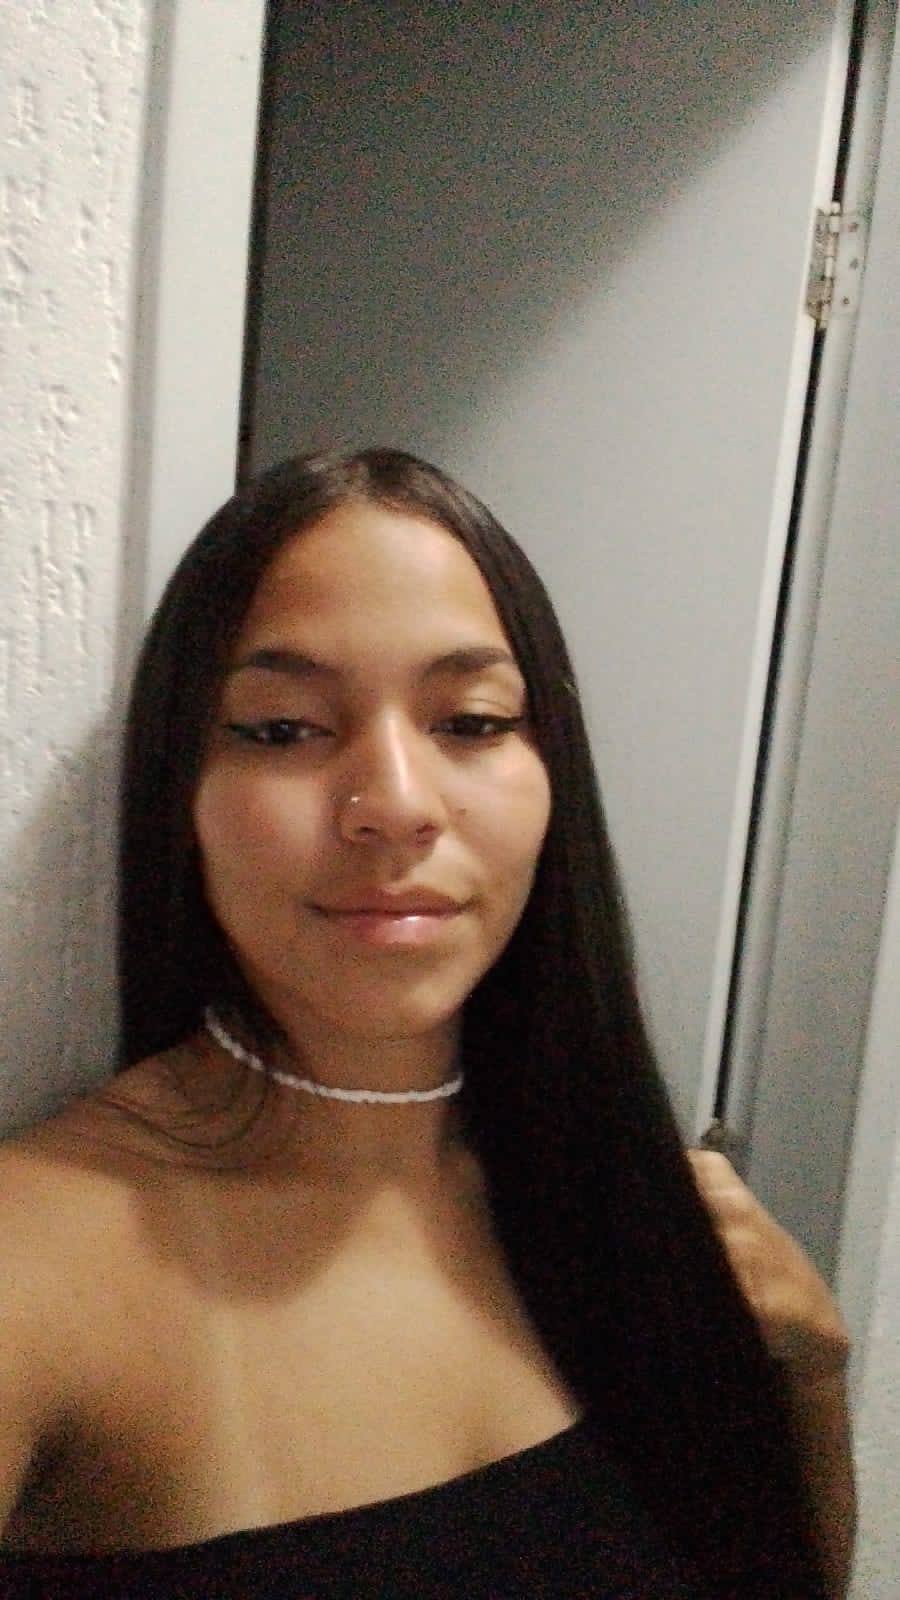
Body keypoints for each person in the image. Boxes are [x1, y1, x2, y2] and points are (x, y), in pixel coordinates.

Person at [0, 449, 854, 1597]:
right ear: (180, 790)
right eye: (283, 728)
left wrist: (809, 1371)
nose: (396, 804)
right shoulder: (40, 1259)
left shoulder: (623, 1197)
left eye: (472, 719)